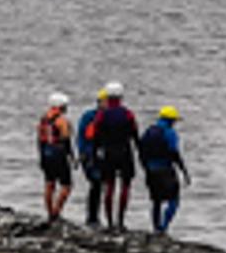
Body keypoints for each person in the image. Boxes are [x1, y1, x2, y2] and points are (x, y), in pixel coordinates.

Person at [78, 83, 140, 229]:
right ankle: (121, 221)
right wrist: (141, 155)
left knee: (109, 187)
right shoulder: (128, 114)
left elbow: (94, 138)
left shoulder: (100, 116)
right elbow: (135, 136)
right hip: (125, 152)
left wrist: (92, 155)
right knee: (125, 186)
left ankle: (110, 222)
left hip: (108, 153)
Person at [137, 104, 190, 234]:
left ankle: (155, 227)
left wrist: (145, 167)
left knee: (156, 201)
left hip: (151, 170)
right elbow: (174, 153)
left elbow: (141, 150)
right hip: (165, 170)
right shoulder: (170, 133)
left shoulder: (149, 131)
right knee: (174, 200)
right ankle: (164, 226)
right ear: (171, 120)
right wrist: (184, 171)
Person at [33, 92, 76, 226]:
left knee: (49, 183)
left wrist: (40, 156)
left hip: (45, 153)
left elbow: (39, 140)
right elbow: (65, 139)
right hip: (58, 153)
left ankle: (49, 212)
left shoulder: (43, 119)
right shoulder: (61, 120)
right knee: (66, 185)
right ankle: (56, 211)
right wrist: (72, 157)